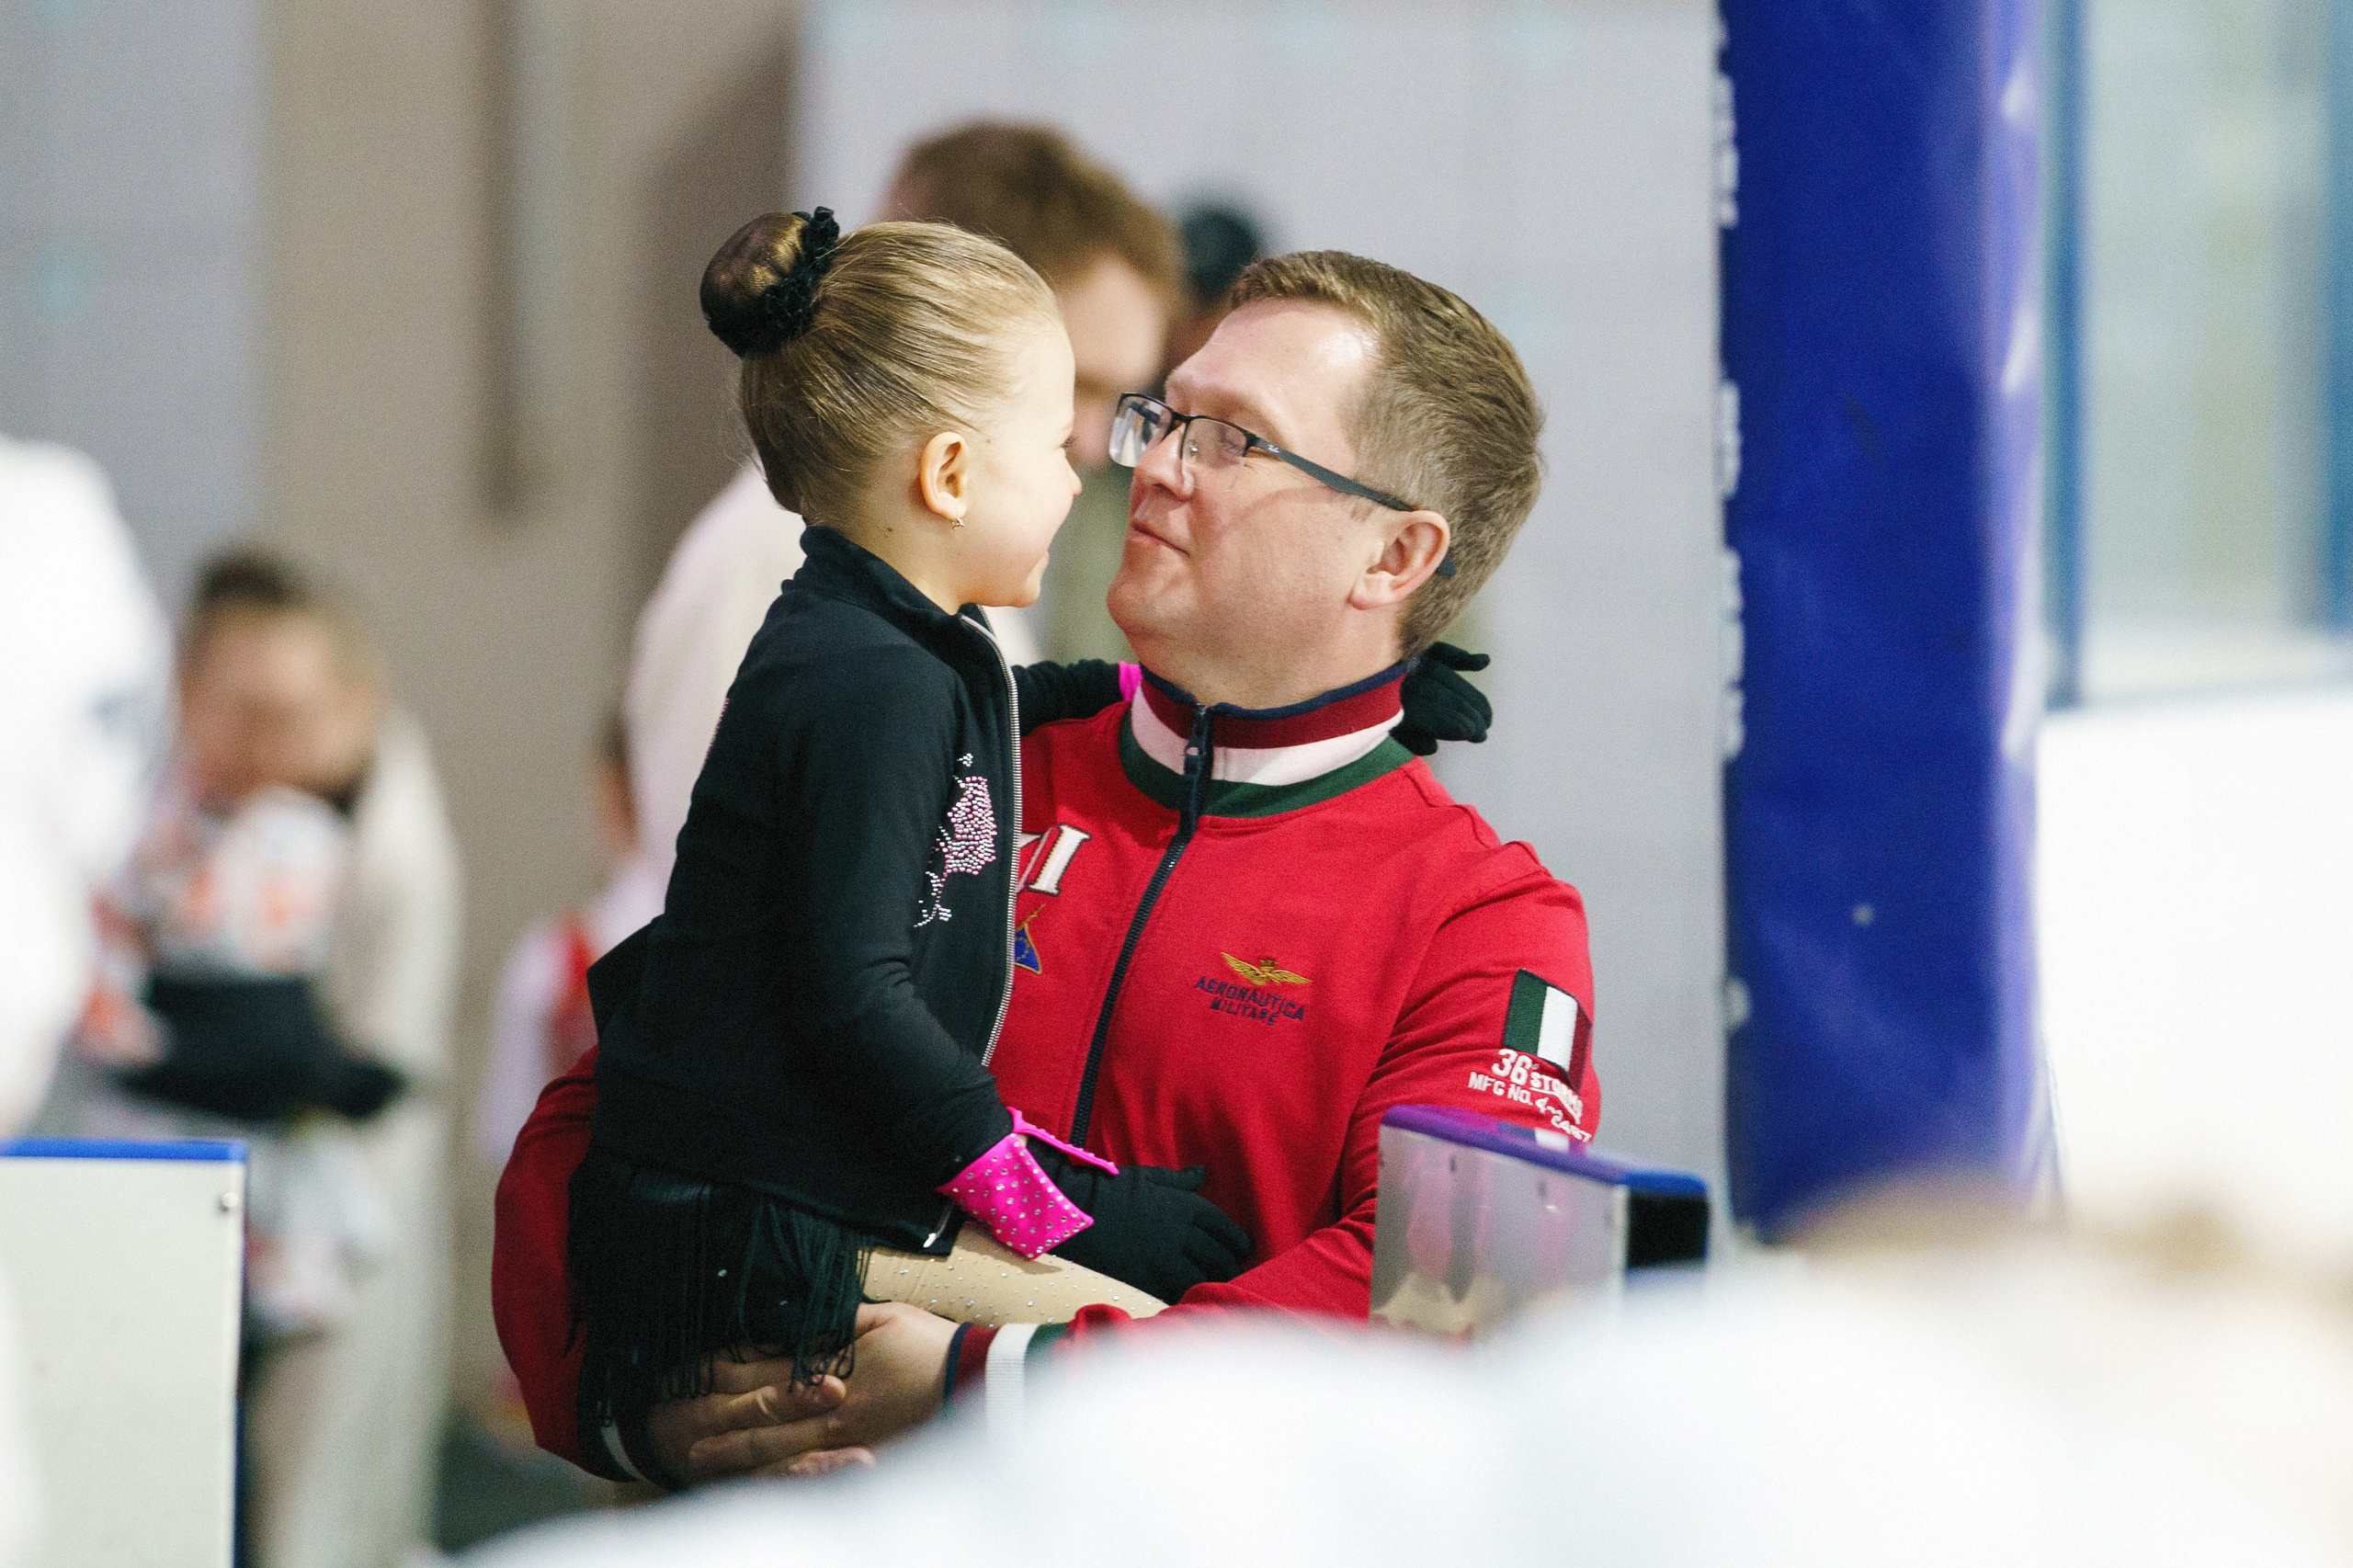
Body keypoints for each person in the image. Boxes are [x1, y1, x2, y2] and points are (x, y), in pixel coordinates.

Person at [495, 246, 1585, 1484]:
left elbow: (1455, 1305)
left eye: (1234, 441)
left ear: (1394, 557)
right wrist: (634, 1415)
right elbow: (625, 1093)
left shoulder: (1486, 919)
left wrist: (994, 1382)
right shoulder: (951, 734)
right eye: (1167, 415)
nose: (1150, 466)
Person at [571, 208, 1254, 1460]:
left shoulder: (882, 633)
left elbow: (1008, 702)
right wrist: (1054, 1213)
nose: (1088, 472)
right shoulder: (867, 677)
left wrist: (1212, 693)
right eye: (1055, 443)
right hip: (754, 1225)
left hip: (771, 1186)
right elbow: (853, 996)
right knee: (1168, 1369)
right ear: (947, 474)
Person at [625, 123, 1180, 903]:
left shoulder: (942, 561)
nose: (1091, 442)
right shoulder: (782, 562)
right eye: (1075, 384)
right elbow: (769, 911)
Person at [70, 552, 407, 1344]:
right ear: (185, 690)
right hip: (152, 1118)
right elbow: (103, 949)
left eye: (289, 717)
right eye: (241, 710)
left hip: (283, 1138)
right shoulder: (129, 821)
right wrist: (140, 1042)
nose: (263, 742)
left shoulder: (357, 842)